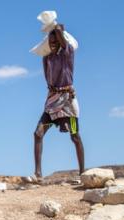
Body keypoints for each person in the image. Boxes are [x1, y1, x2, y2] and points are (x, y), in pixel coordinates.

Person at [33, 24, 85, 183]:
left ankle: (83, 172)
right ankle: (38, 173)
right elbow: (48, 80)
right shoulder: (46, 59)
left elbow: (64, 43)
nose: (54, 43)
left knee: (75, 135)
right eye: (51, 41)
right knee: (38, 133)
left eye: (56, 40)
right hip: (52, 103)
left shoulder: (67, 54)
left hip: (68, 103)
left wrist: (57, 29)